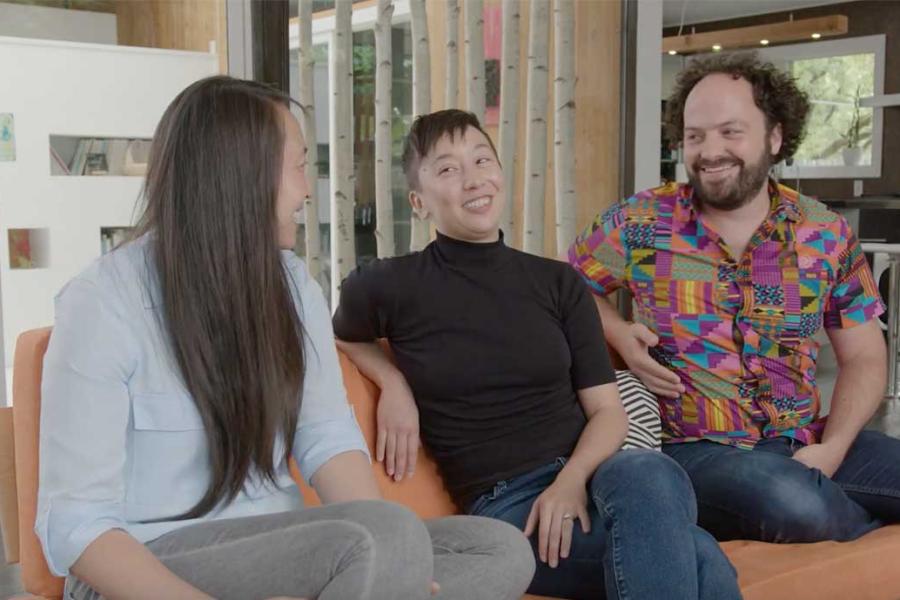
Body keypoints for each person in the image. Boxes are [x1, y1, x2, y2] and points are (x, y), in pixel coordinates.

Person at [35, 77, 535, 600]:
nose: (306, 189)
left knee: (496, 547)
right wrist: (386, 552)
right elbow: (75, 527)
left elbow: (327, 437)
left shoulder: (291, 284)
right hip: (152, 563)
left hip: (286, 558)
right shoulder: (101, 301)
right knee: (387, 540)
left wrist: (394, 555)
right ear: (242, 175)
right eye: (298, 166)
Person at [332, 109, 740, 600]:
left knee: (650, 468)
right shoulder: (387, 285)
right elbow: (337, 337)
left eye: (482, 159)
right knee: (698, 553)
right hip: (508, 507)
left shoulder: (557, 283)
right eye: (448, 169)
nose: (473, 179)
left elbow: (609, 413)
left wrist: (570, 481)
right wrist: (393, 382)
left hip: (592, 476)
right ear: (419, 203)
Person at [568, 52, 900, 544]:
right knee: (792, 503)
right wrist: (616, 331)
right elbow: (562, 286)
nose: (709, 151)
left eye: (730, 132)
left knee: (802, 489)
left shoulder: (823, 232)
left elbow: (867, 359)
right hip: (694, 450)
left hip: (804, 437)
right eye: (695, 135)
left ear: (775, 136)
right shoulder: (640, 222)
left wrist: (833, 448)